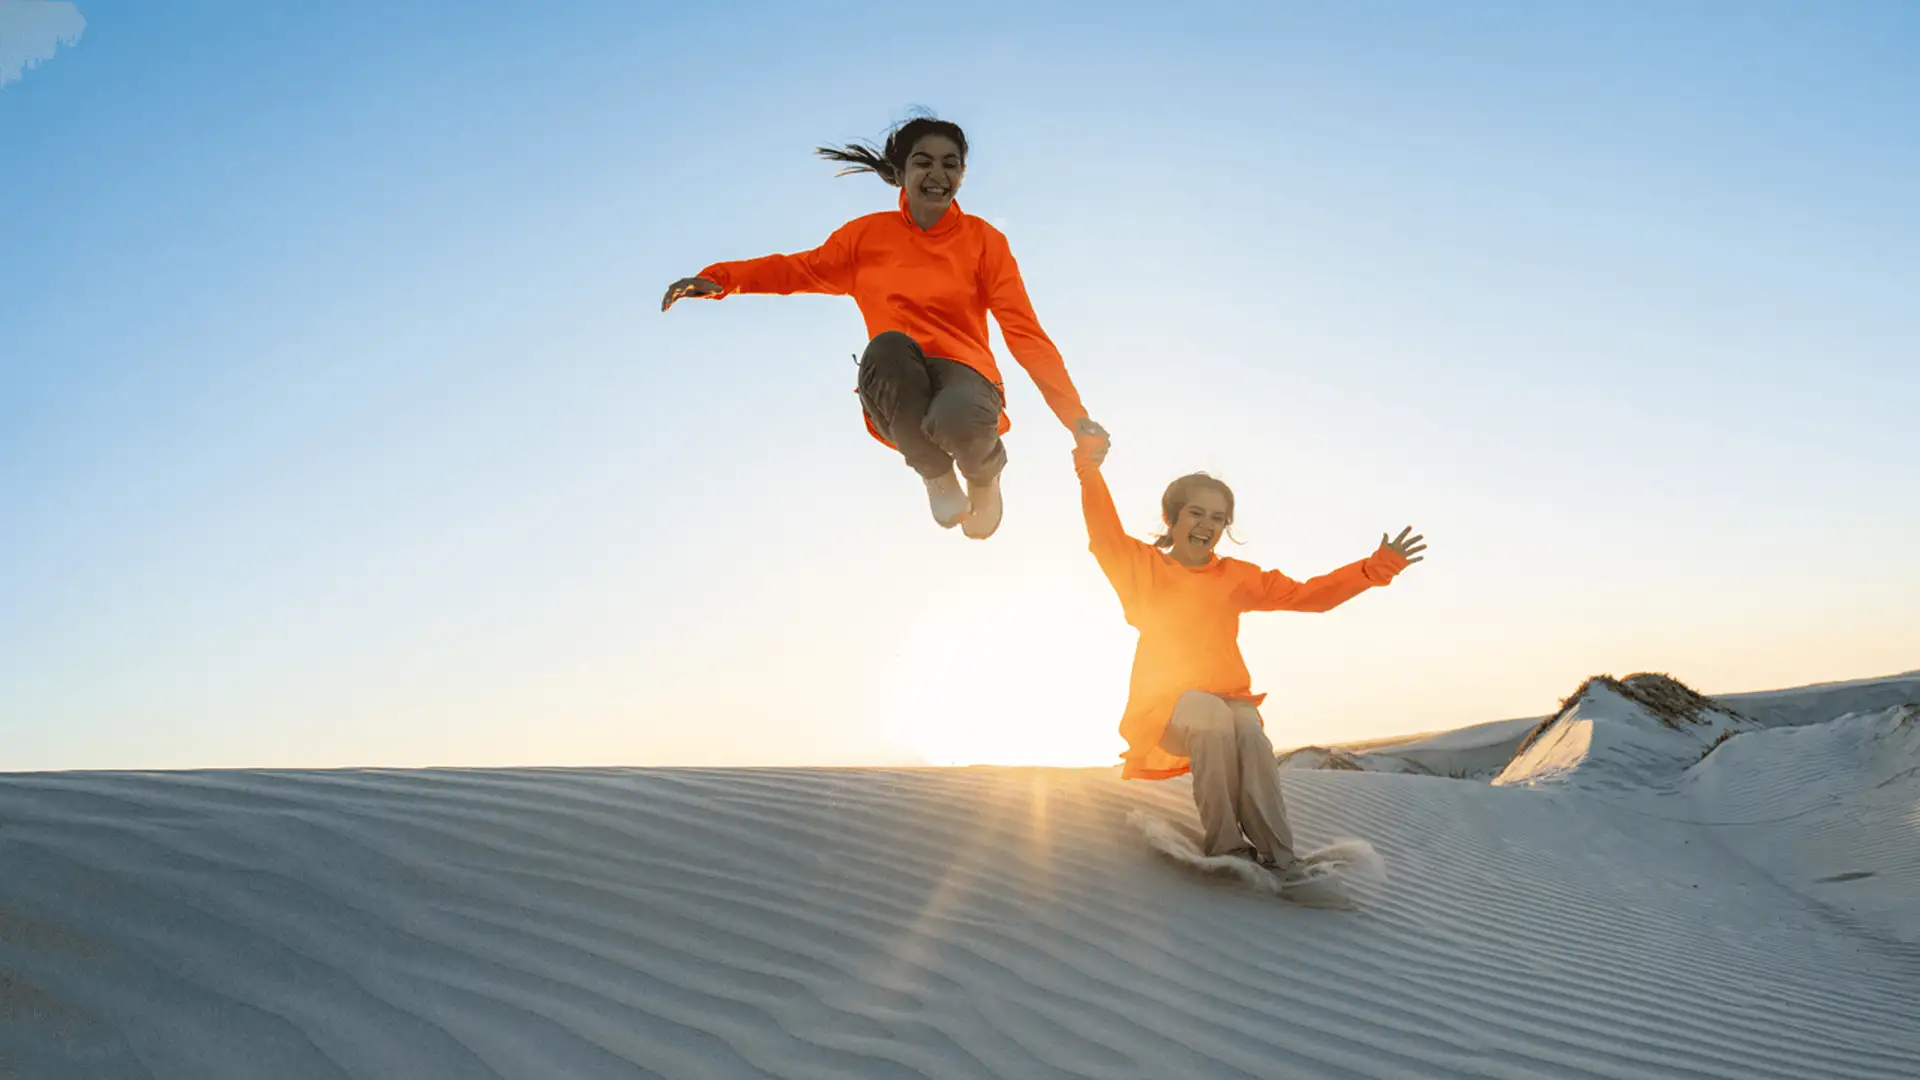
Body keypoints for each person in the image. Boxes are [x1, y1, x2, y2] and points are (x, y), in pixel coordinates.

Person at [661, 113, 1109, 540]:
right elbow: (794, 270)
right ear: (901, 173)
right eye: (923, 162)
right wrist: (721, 279)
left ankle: (983, 477)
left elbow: (1025, 333)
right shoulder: (865, 238)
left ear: (962, 175)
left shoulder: (984, 242)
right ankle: (936, 473)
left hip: (967, 379)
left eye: (951, 164)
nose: (938, 174)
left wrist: (1076, 418)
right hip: (897, 381)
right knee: (888, 346)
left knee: (954, 416)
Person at [1072, 436, 1426, 880]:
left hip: (1230, 699)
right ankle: (1227, 846)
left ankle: (1281, 857)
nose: (1207, 525)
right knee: (1212, 717)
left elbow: (1308, 596)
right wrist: (1088, 467)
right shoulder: (1141, 567)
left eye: (1218, 518)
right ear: (1171, 518)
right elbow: (1102, 527)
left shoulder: (1234, 576)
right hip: (1166, 709)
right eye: (1196, 513)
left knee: (1249, 733)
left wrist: (1375, 568)